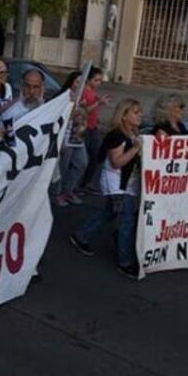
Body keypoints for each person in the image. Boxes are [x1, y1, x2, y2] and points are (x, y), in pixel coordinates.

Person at [70, 98, 144, 279]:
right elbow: (116, 162)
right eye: (135, 112)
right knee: (127, 220)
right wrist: (135, 149)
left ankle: (81, 235)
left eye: (140, 112)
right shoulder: (117, 136)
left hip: (127, 184)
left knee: (109, 213)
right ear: (124, 116)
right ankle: (124, 261)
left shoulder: (134, 134)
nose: (140, 115)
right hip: (116, 184)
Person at [55, 72, 87, 207]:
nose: (79, 85)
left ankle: (68, 190)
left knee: (82, 163)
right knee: (63, 167)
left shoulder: (81, 98)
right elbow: (59, 117)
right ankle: (57, 194)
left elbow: (82, 117)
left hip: (77, 138)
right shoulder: (64, 97)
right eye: (76, 82)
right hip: (65, 137)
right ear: (71, 82)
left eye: (81, 82)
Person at [81, 67, 111, 193]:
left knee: (96, 155)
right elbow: (85, 110)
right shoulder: (84, 92)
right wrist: (100, 103)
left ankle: (86, 182)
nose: (99, 83)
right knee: (89, 156)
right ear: (88, 80)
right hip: (85, 127)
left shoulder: (92, 92)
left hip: (93, 126)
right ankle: (82, 184)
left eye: (100, 80)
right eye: (96, 80)